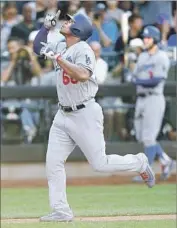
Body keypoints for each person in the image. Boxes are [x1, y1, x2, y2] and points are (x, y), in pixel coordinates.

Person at [33, 10, 155, 222]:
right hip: (63, 114)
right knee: (53, 163)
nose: (66, 22)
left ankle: (139, 162)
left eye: (70, 21)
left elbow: (82, 75)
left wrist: (59, 59)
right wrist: (46, 28)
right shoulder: (61, 45)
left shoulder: (83, 49)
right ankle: (61, 211)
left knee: (100, 163)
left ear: (79, 29)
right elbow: (37, 49)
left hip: (85, 113)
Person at [132, 25, 174, 182]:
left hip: (154, 98)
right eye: (144, 37)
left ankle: (147, 173)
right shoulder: (142, 57)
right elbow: (133, 76)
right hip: (141, 99)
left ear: (155, 39)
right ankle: (167, 161)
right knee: (143, 137)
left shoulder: (161, 56)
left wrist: (138, 81)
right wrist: (135, 78)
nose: (145, 40)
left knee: (149, 137)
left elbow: (156, 80)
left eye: (148, 38)